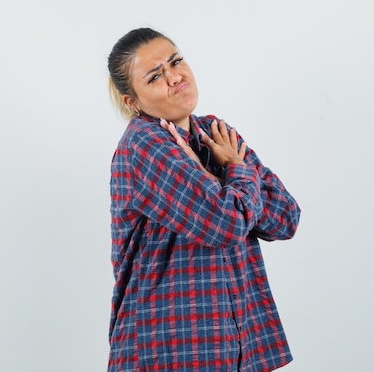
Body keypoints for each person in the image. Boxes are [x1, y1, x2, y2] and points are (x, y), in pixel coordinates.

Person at [106, 27, 301, 372]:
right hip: (169, 350)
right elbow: (226, 224)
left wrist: (226, 178)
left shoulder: (214, 131)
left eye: (176, 61)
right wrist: (236, 170)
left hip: (237, 346)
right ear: (132, 101)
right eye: (155, 76)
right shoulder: (144, 144)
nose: (174, 76)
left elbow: (286, 218)